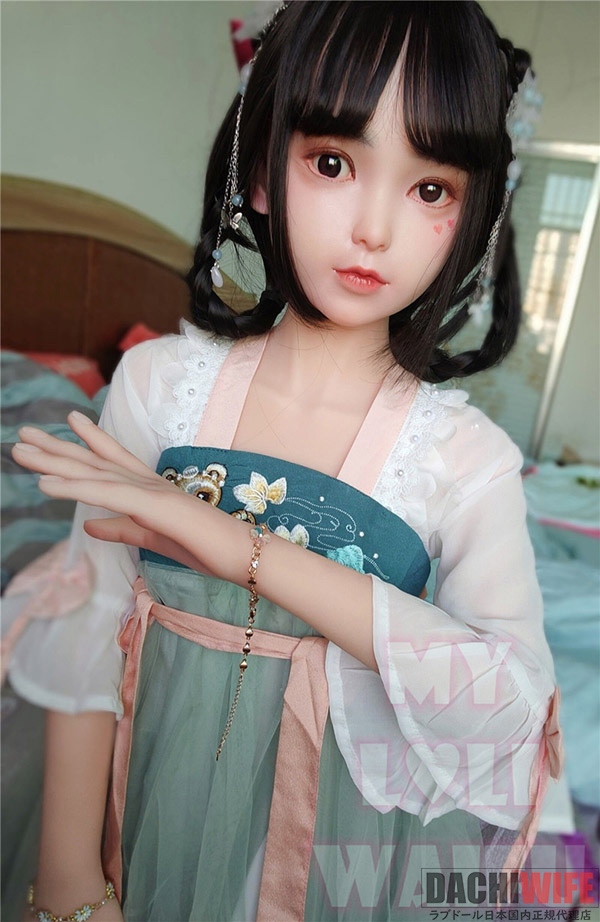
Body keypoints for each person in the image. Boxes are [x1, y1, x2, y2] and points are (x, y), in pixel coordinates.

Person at [7, 2, 563, 920]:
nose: (375, 228)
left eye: (430, 188)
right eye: (334, 163)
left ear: (471, 214)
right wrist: (69, 885)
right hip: (133, 816)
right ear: (262, 171)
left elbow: (511, 707)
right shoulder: (159, 385)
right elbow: (87, 623)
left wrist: (238, 549)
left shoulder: (466, 459)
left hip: (337, 859)